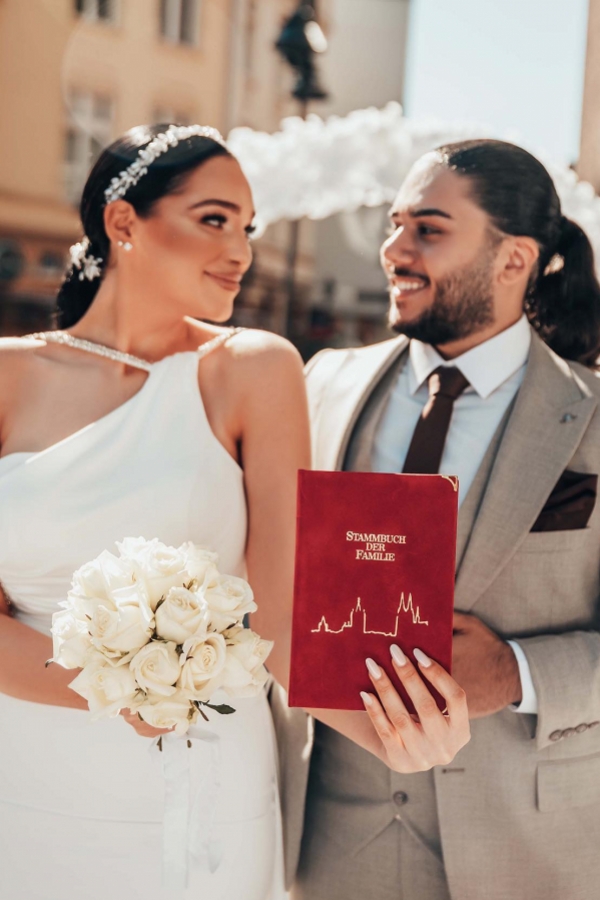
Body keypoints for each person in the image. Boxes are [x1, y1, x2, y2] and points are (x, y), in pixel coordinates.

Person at [0, 123, 469, 900]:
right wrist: (119, 686)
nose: (242, 252)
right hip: (31, 773)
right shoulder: (7, 377)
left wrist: (403, 735)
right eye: (214, 219)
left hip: (208, 778)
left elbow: (286, 624)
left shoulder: (254, 368)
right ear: (124, 223)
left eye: (247, 228)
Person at [288, 139, 600, 900]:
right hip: (332, 844)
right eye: (395, 224)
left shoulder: (592, 416)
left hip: (529, 848)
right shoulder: (321, 383)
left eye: (428, 228)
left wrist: (517, 674)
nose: (394, 248)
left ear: (513, 259)